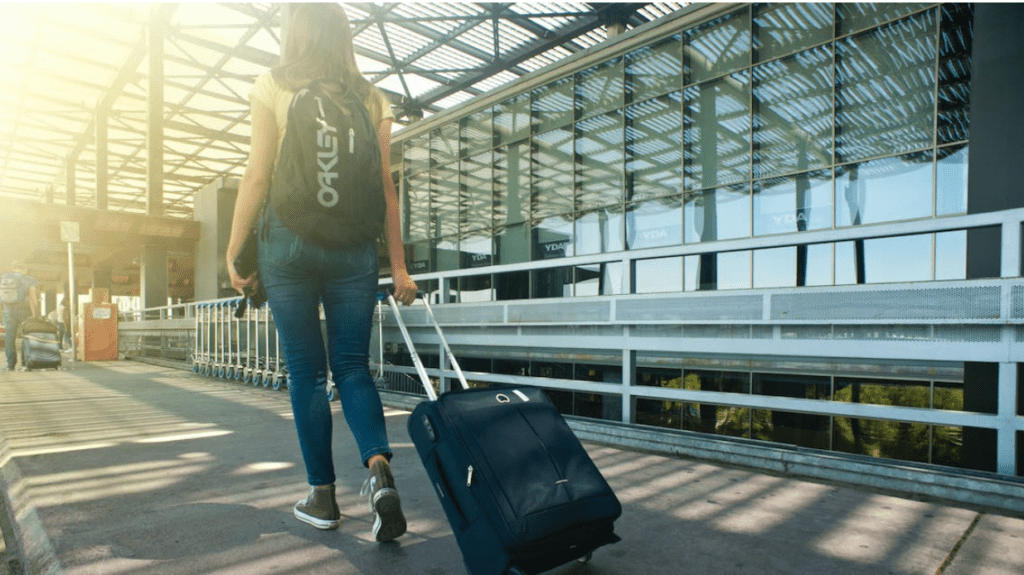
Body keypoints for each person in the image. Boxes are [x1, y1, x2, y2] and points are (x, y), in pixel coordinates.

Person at [226, 4, 417, 542]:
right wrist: (398, 266)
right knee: (353, 368)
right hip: (354, 251)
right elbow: (385, 187)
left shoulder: (273, 83)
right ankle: (380, 474)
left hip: (287, 246)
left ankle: (322, 496)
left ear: (295, 32)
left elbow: (257, 174)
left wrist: (235, 250)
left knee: (308, 373)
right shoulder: (372, 97)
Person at [1, 261, 39, 371]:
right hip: (24, 310)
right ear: (25, 269)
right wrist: (35, 313)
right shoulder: (29, 279)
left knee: (9, 337)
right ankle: (26, 362)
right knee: (27, 336)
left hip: (8, 310)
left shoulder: (4, 277)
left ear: (13, 268)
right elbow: (33, 298)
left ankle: (10, 364)